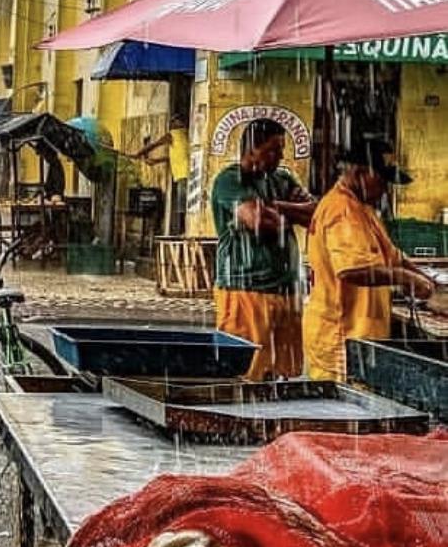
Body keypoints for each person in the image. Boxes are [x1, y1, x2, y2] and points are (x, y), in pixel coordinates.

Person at [302, 138, 434, 381]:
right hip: (342, 337)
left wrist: (430, 284)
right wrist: (405, 279)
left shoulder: (363, 209)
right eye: (382, 180)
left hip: (361, 339)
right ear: (358, 172)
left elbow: (393, 257)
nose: (385, 188)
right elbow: (352, 270)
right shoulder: (342, 210)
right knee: (344, 412)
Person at [209, 118, 316, 380]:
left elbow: (316, 215)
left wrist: (276, 207)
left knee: (284, 373)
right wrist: (287, 211)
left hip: (287, 289)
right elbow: (260, 221)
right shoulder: (229, 180)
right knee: (244, 370)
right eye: (274, 149)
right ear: (252, 149)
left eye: (281, 149)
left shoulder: (282, 178)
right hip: (245, 290)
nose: (280, 156)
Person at [137, 114, 190, 233]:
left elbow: (154, 144)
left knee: (182, 203)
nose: (172, 125)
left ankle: (183, 229)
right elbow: (175, 155)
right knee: (184, 202)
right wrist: (156, 161)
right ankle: (183, 228)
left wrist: (139, 153)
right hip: (185, 172)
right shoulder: (186, 134)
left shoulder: (173, 134)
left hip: (183, 173)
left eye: (173, 122)